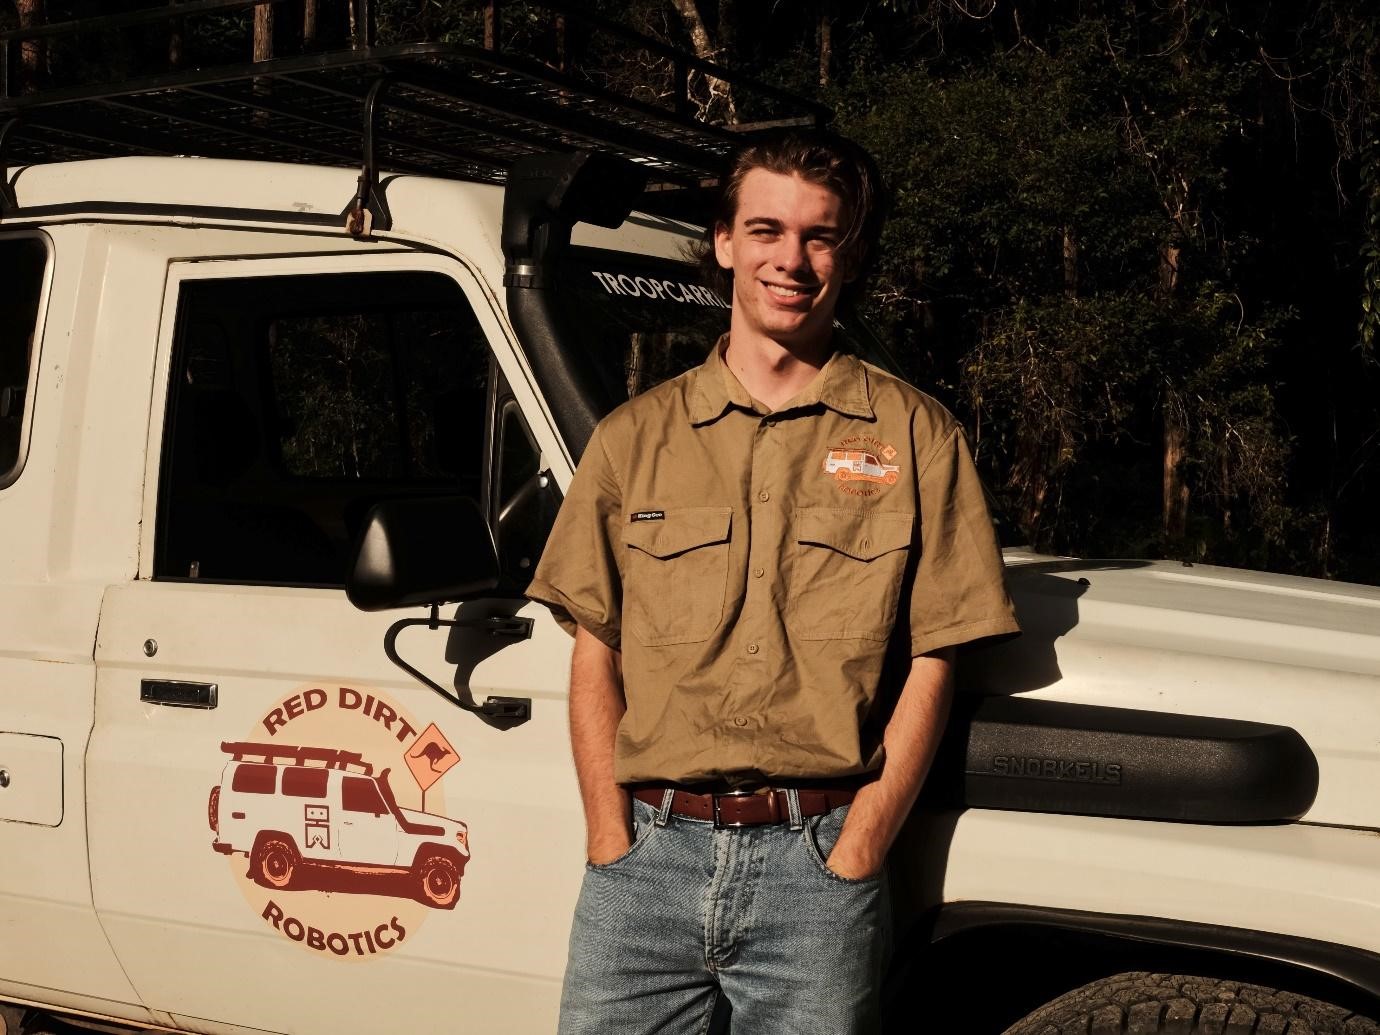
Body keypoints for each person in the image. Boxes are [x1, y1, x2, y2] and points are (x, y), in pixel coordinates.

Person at [525, 129, 1019, 1034]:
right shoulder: (633, 440)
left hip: (817, 869)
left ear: (849, 253)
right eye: (765, 230)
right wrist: (609, 834)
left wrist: (862, 845)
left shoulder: (918, 437)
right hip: (645, 863)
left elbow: (938, 656)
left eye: (819, 236)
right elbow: (596, 651)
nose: (790, 259)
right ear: (723, 242)